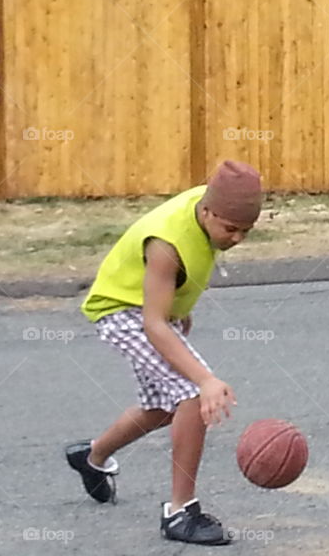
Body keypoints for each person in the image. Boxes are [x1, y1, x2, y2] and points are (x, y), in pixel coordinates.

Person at [66, 160, 263, 545]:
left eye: (246, 231)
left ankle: (91, 458)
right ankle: (180, 513)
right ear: (207, 211)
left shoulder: (208, 208)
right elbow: (152, 324)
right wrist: (205, 380)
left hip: (148, 308)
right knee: (191, 394)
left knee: (167, 407)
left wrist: (180, 309)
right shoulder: (166, 243)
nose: (237, 238)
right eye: (230, 229)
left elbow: (176, 287)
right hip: (121, 309)